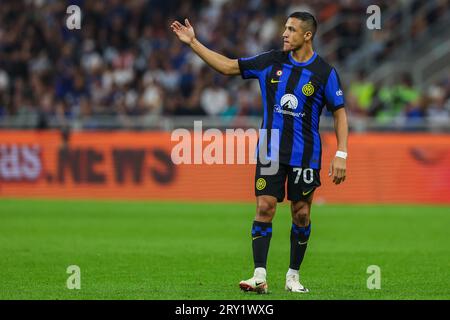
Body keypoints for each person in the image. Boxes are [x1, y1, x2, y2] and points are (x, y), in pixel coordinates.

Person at [170, 11, 348, 294]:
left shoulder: (325, 73)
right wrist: (193, 43)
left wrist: (341, 154)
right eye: (284, 28)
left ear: (307, 35)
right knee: (264, 207)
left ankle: (293, 277)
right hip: (270, 150)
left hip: (305, 154)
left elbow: (340, 113)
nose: (284, 33)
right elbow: (228, 67)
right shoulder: (270, 61)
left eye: (291, 29)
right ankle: (259, 276)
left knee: (301, 214)